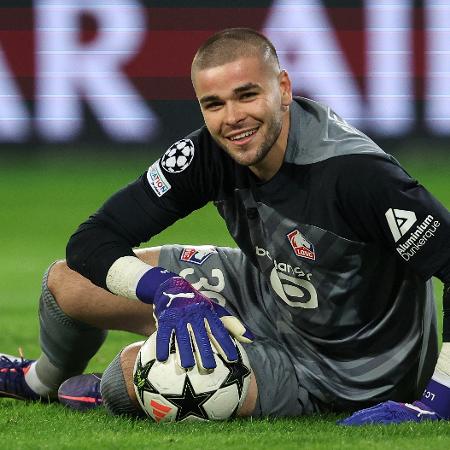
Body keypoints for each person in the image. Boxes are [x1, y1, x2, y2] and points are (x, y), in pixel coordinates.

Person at [1, 28, 449, 424]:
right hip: (270, 292)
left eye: (247, 95)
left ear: (284, 88)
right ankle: (40, 383)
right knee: (68, 282)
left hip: (350, 369)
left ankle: (117, 388)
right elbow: (93, 239)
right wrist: (163, 288)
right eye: (213, 104)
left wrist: (439, 399)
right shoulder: (210, 154)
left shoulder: (356, 174)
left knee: (130, 378)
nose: (232, 118)